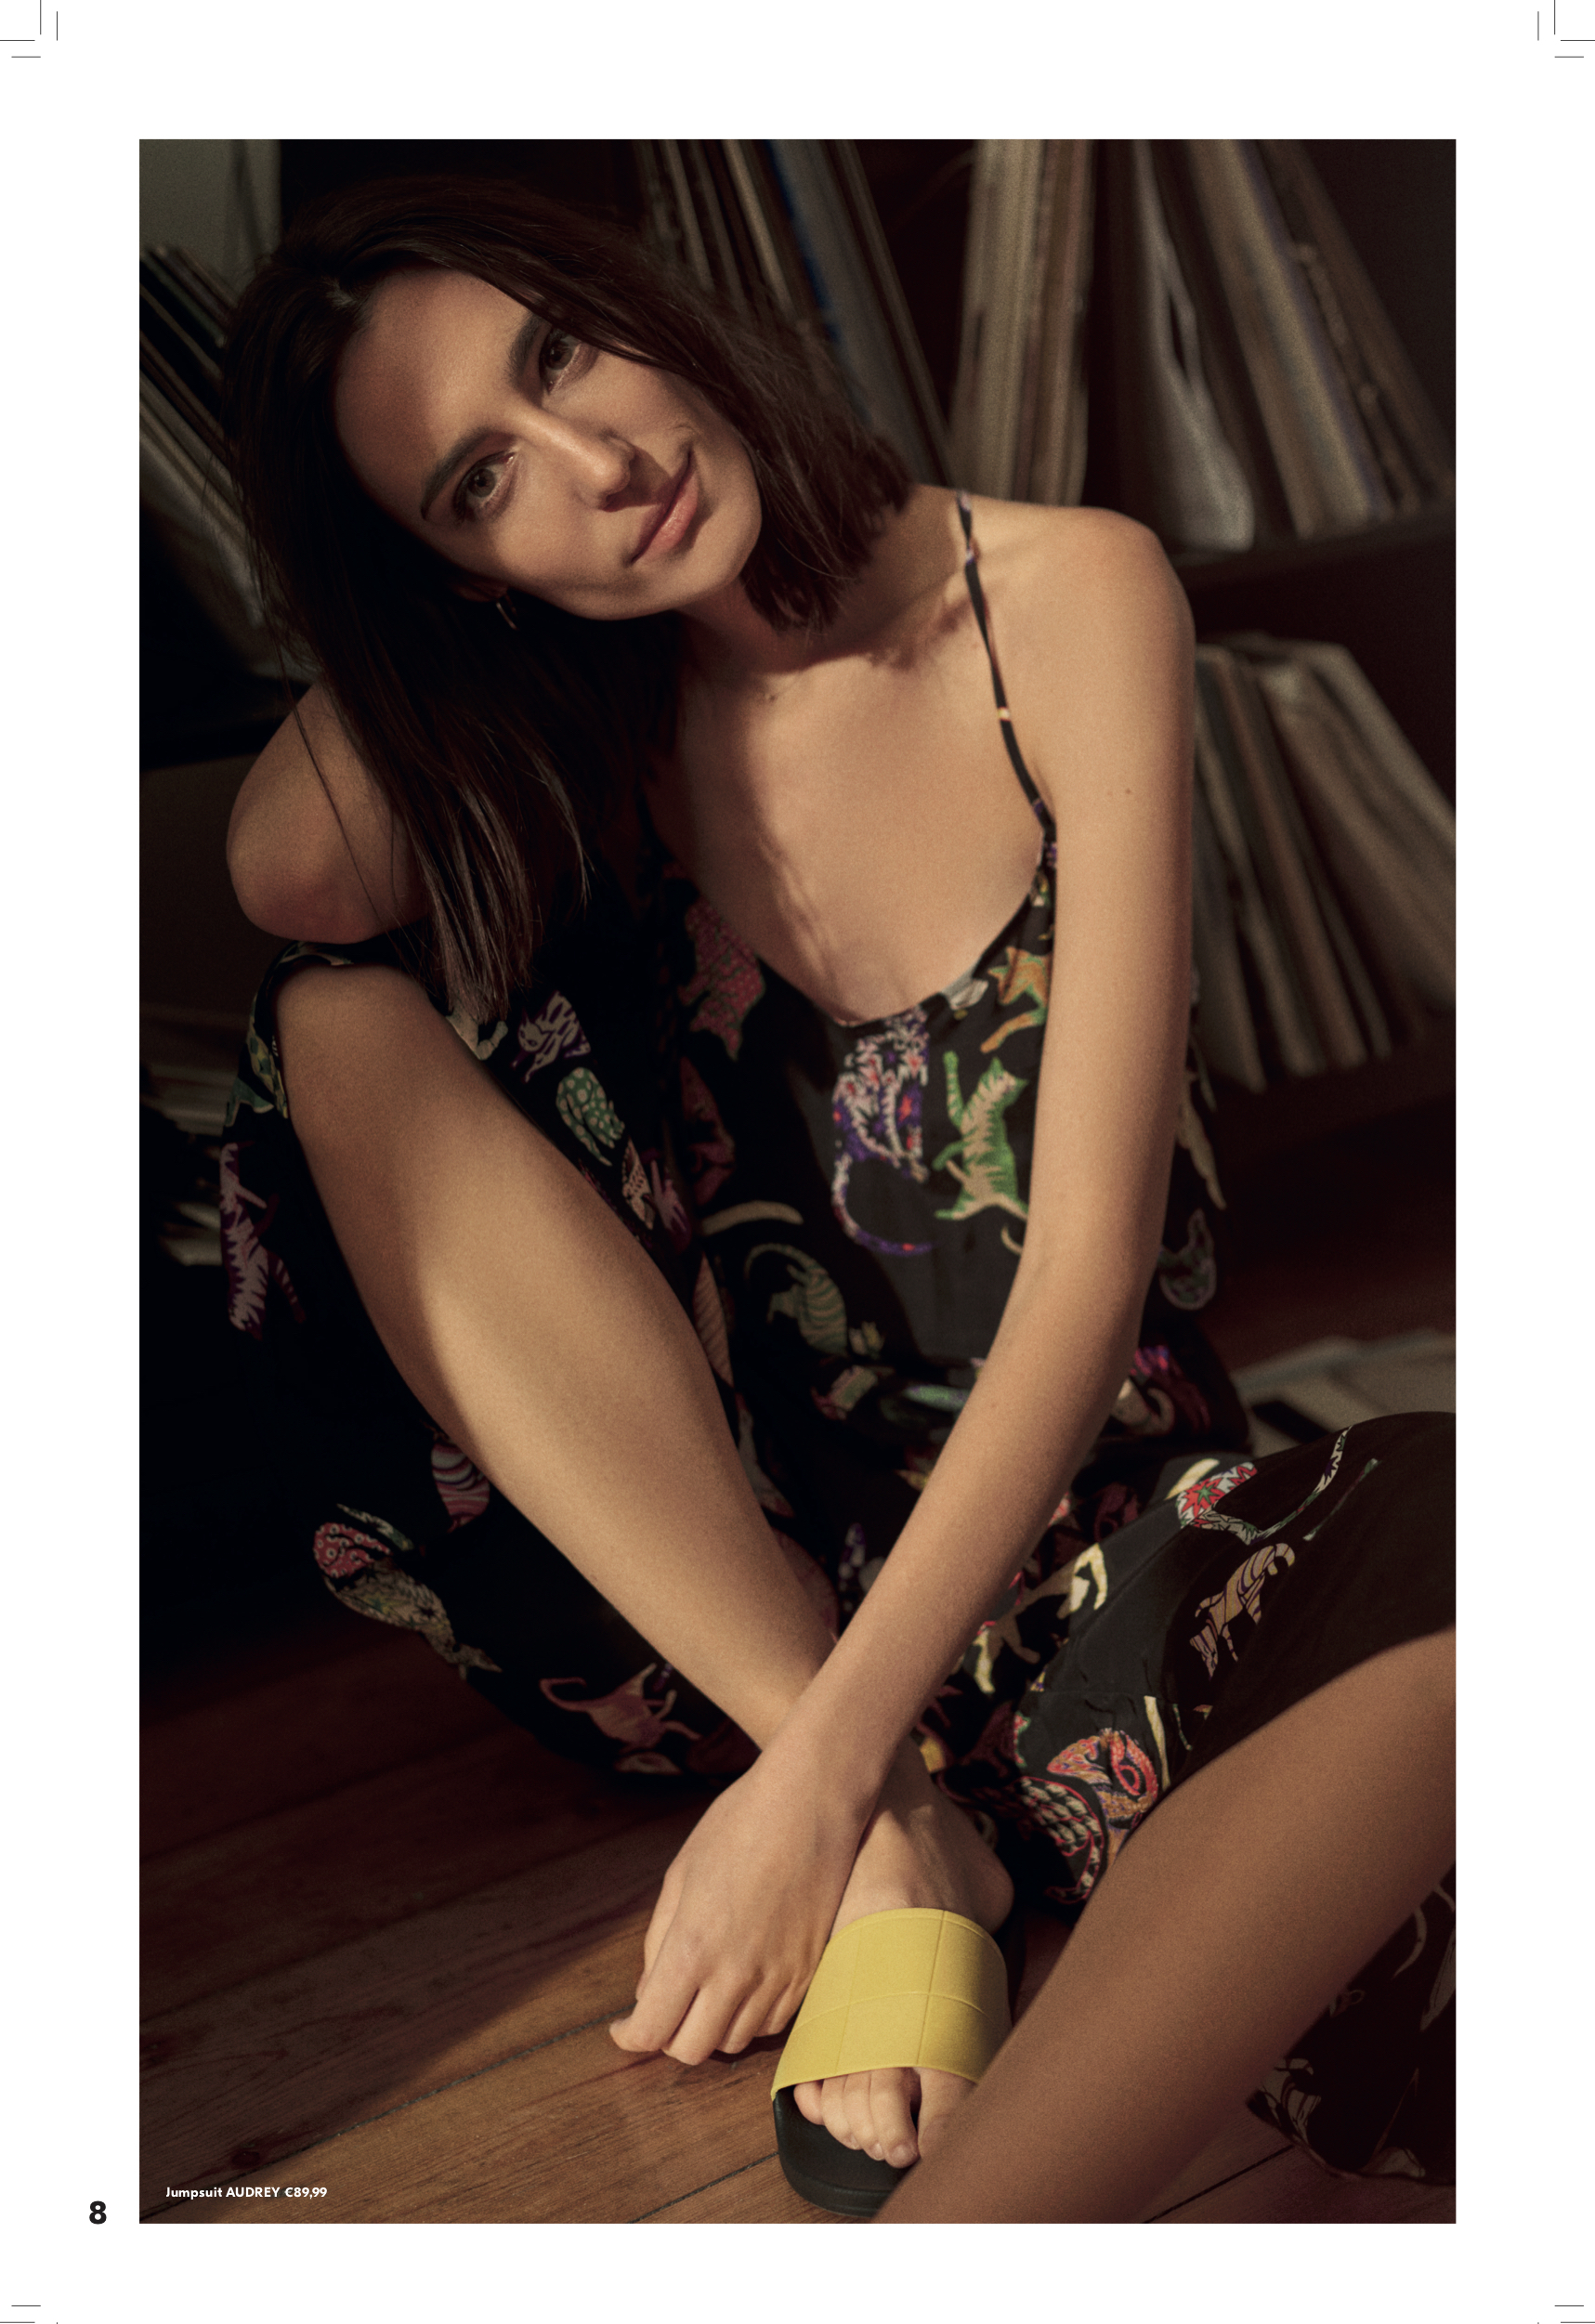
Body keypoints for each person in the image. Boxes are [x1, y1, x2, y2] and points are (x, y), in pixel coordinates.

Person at [216, 174, 1455, 2219]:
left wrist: (807, 1790)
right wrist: (819, 1776)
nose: (600, 466)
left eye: (561, 353)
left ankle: (935, 2104)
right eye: (480, 481)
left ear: (639, 301)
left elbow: (1085, 1270)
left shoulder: (1065, 595)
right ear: (450, 572)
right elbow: (288, 870)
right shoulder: (582, 711)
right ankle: (900, 1830)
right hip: (704, 1608)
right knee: (337, 1023)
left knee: (1482, 1537)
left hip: (1065, 1531)